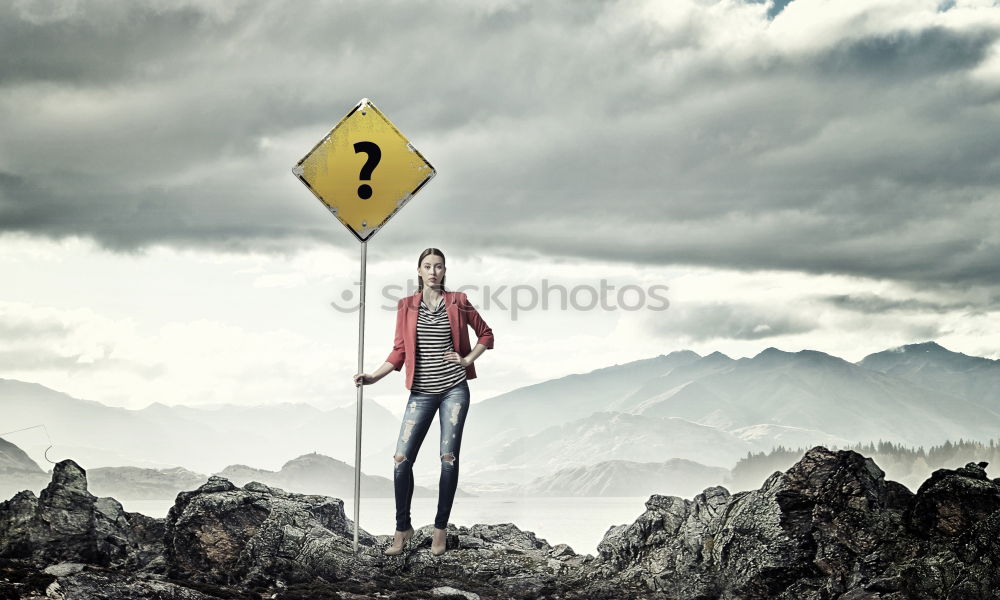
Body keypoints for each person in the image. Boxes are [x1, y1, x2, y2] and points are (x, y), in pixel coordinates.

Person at [353, 248, 494, 556]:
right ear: (418, 271)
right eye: (427, 266)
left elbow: (486, 335)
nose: (433, 271)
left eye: (439, 266)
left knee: (448, 458)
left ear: (445, 271)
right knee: (401, 459)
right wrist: (374, 377)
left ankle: (440, 530)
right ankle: (402, 528)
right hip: (420, 393)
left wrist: (466, 358)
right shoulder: (406, 306)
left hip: (454, 390)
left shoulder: (458, 301)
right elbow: (399, 351)